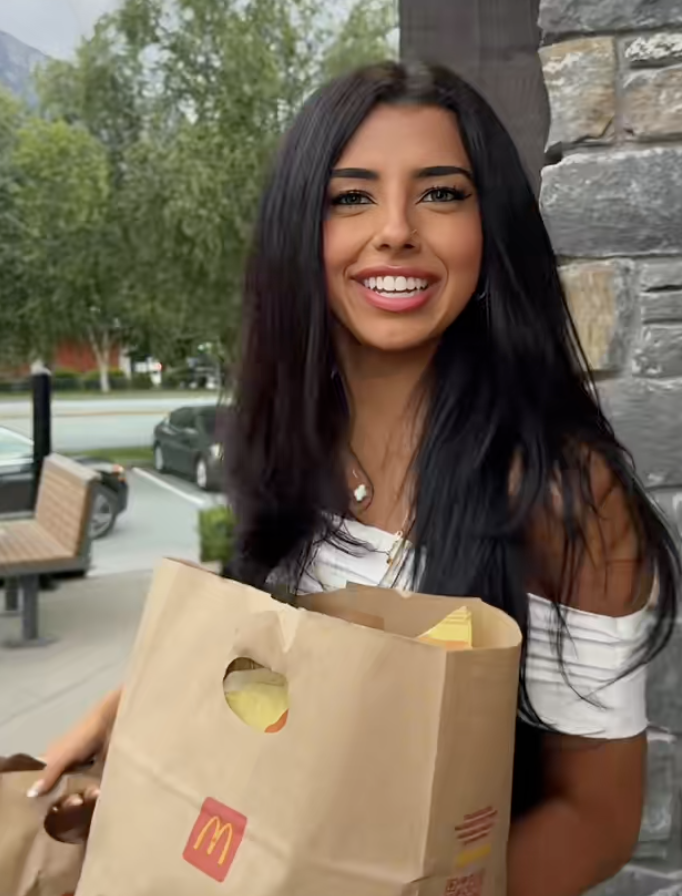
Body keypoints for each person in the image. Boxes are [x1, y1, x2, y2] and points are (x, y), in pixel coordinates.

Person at [32, 61, 679, 896]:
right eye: (351, 197)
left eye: (442, 194)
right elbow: (287, 666)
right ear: (303, 230)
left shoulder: (558, 487)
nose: (396, 230)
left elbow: (597, 817)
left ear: (492, 229)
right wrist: (132, 707)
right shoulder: (284, 443)